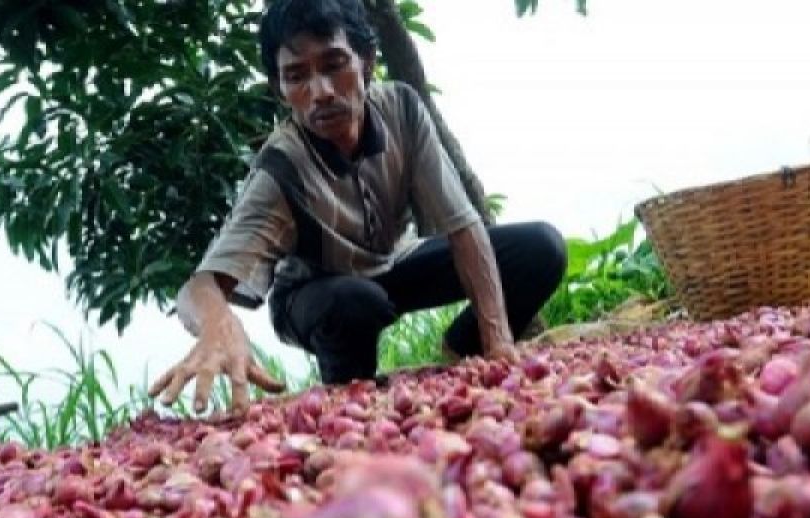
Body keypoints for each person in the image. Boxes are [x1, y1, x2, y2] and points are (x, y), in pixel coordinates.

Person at [149, 0, 565, 416]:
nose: (321, 92)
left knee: (541, 249)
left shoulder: (401, 108)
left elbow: (463, 226)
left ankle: (461, 351)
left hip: (397, 261)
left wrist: (497, 339)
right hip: (319, 292)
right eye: (297, 76)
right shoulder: (280, 169)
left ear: (367, 62)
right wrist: (218, 325)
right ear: (280, 90)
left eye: (334, 65)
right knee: (353, 301)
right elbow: (199, 287)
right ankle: (351, 397)